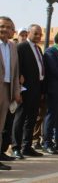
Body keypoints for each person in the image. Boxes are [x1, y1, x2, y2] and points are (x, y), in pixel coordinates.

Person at [11, 24, 45, 159]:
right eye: (35, 33)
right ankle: (16, 147)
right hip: (25, 89)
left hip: (36, 88)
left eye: (40, 34)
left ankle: (27, 146)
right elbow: (16, 66)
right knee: (20, 118)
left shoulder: (38, 49)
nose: (38, 36)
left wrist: (42, 89)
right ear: (29, 33)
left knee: (31, 119)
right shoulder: (21, 47)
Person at [0, 16, 21, 170]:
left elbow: (15, 71)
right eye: (2, 26)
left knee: (1, 126)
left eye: (8, 27)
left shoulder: (13, 47)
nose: (5, 29)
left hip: (7, 90)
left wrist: (16, 91)